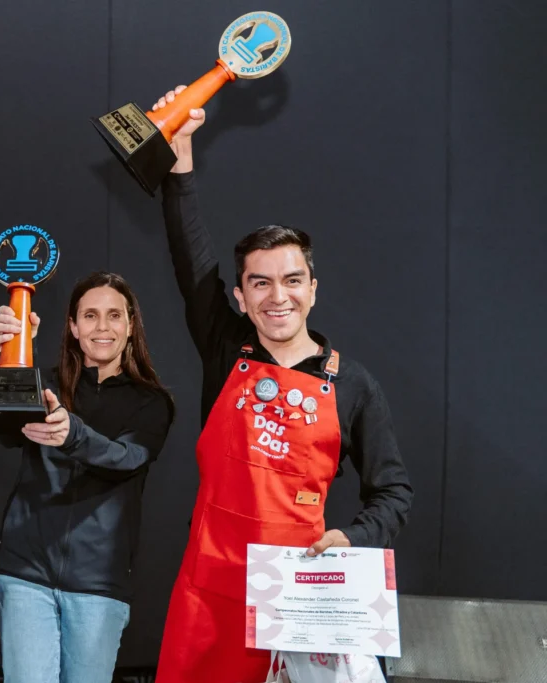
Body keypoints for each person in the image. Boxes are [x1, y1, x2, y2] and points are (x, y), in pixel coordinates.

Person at [149, 87, 414, 683]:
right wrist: (181, 152)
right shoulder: (225, 349)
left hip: (299, 599)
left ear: (312, 289)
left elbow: (394, 492)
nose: (278, 296)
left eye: (292, 280)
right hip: (209, 593)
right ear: (240, 297)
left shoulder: (354, 385)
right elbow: (190, 255)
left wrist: (353, 537)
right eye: (260, 283)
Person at [0, 271, 175, 683]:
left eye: (114, 315)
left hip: (99, 585)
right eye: (90, 316)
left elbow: (127, 457)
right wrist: (14, 359)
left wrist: (72, 434)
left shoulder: (152, 402)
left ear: (130, 326)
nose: (102, 327)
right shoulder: (46, 385)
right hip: (26, 574)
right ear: (73, 327)